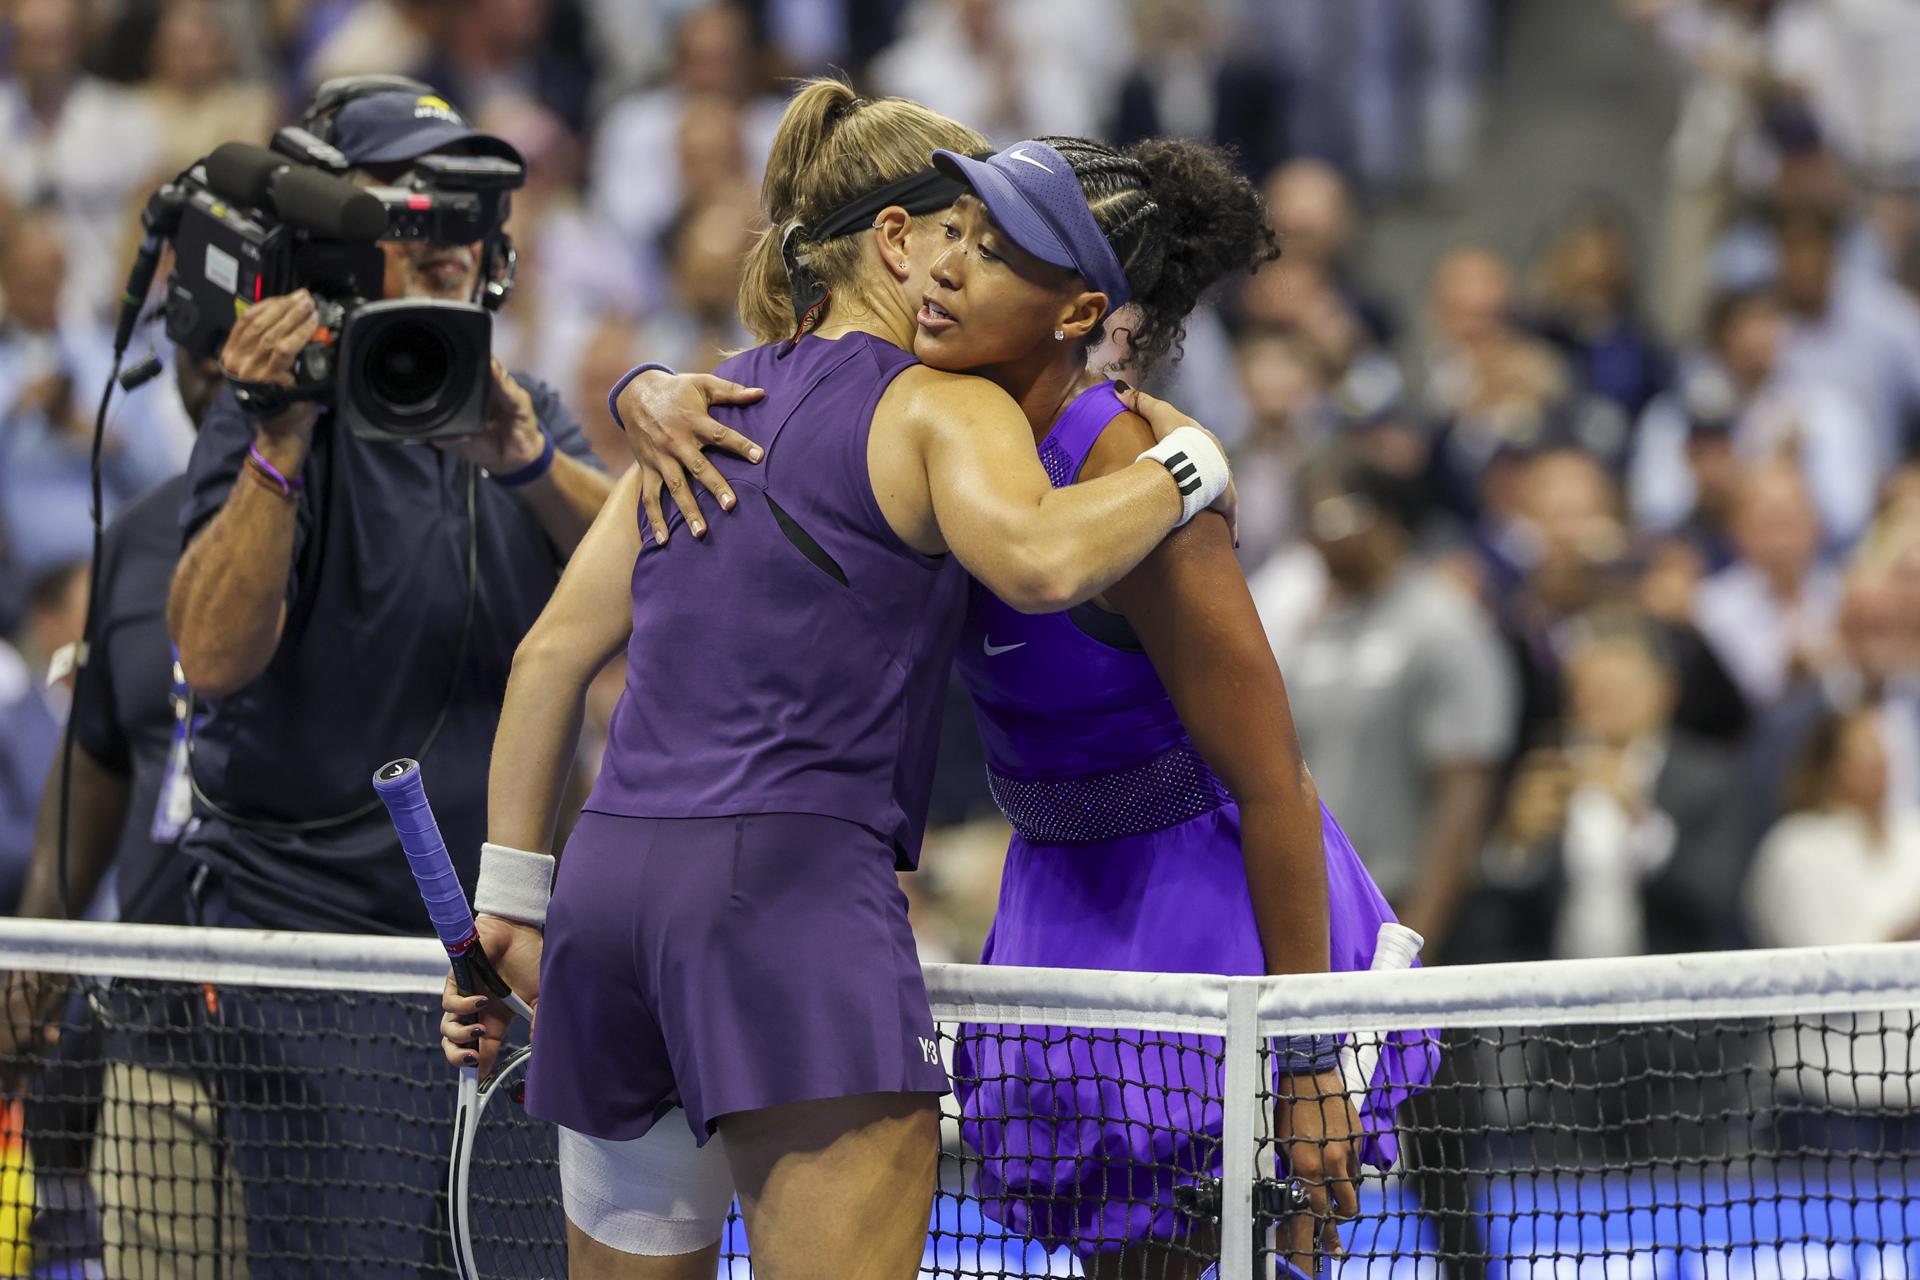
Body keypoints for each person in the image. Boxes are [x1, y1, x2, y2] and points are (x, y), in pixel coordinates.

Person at [440, 81, 1236, 1280]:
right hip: (789, 905)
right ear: (897, 239)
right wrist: (1191, 461)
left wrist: (506, 900)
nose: (970, 265)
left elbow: (548, 655)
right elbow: (1037, 561)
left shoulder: (700, 401)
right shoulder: (943, 407)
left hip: (606, 899)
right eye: (966, 232)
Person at [913, 135, 1437, 1278]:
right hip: (1059, 897)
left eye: (992, 252)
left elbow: (1275, 780)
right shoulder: (938, 428)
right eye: (955, 231)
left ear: (1078, 311)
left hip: (1209, 919)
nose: (945, 265)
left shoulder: (1138, 484)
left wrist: (1306, 1061)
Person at [155, 82, 611, 1276]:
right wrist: (278, 438)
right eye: (412, 205)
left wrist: (526, 461)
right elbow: (210, 657)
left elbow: (667, 595)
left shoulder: (522, 411)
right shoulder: (281, 420)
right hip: (320, 956)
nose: (446, 234)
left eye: (462, 208)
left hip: (503, 960)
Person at [0, 353, 222, 1277]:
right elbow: (89, 767)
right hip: (155, 1036)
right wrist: (33, 959)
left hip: (343, 1038)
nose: (219, 366)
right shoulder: (134, 537)